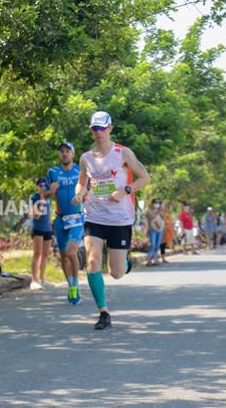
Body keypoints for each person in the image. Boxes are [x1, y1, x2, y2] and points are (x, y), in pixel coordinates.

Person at [72, 111, 150, 330]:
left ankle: (125, 263)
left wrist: (125, 190)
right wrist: (79, 193)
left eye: (102, 128)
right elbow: (82, 183)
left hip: (119, 219)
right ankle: (103, 312)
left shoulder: (122, 153)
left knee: (116, 273)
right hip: (94, 216)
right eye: (94, 129)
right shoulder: (86, 158)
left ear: (110, 129)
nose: (99, 133)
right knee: (92, 262)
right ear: (91, 131)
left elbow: (145, 178)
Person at [43, 142, 83, 304]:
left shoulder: (80, 170)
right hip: (60, 220)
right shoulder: (52, 172)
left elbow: (89, 190)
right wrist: (50, 191)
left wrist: (81, 196)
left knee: (72, 252)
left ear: (73, 154)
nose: (65, 154)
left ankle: (75, 285)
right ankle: (70, 284)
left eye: (67, 151)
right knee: (64, 255)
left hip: (77, 218)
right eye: (62, 152)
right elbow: (42, 195)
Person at [30, 178, 52, 289]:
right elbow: (37, 215)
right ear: (37, 186)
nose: (43, 186)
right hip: (38, 229)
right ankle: (34, 280)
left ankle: (42, 279)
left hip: (47, 229)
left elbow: (49, 211)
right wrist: (42, 199)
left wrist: (51, 222)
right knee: (37, 254)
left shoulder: (48, 198)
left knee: (45, 255)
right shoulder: (34, 198)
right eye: (41, 184)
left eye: (45, 184)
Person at [145, 199, 164, 266]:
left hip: (160, 230)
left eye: (158, 203)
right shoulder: (149, 211)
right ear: (152, 203)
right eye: (156, 203)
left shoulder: (160, 211)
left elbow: (162, 219)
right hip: (152, 230)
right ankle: (149, 260)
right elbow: (151, 218)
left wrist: (160, 210)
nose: (157, 204)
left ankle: (155, 260)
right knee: (152, 245)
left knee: (157, 245)